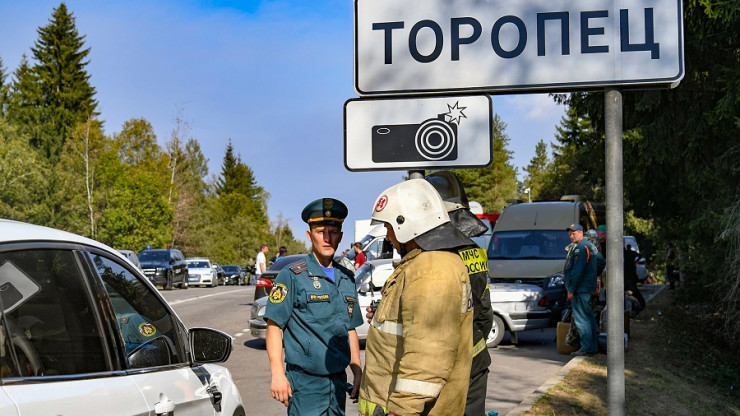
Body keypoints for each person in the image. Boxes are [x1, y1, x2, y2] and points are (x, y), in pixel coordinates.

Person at [358, 179, 474, 416]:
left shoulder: (432, 271)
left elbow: (428, 355)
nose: (388, 235)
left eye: (389, 226)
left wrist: (401, 410)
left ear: (405, 224)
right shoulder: (424, 265)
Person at [263, 198, 363, 416]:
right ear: (309, 236)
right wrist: (277, 374)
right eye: (320, 231)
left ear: (341, 236)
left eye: (333, 232)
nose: (327, 238)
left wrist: (356, 370)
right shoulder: (291, 276)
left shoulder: (346, 278)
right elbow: (274, 326)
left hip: (337, 383)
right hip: (305, 385)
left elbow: (350, 328)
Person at [564, 223, 599, 356]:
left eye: (573, 233)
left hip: (580, 289)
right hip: (586, 287)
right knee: (589, 317)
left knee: (581, 319)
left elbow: (578, 271)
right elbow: (600, 262)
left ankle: (587, 348)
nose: (571, 236)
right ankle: (592, 347)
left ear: (581, 233)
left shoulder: (581, 248)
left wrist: (571, 288)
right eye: (570, 234)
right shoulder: (589, 246)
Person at [623, 244, 646, 312]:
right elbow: (640, 256)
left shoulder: (627, 252)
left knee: (630, 276)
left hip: (628, 267)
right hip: (630, 267)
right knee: (631, 276)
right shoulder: (632, 252)